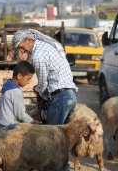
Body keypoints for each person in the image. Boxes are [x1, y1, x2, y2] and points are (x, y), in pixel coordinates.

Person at [12, 29, 78, 171]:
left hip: (60, 98)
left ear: (29, 40)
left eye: (22, 47)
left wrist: (39, 92)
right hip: (70, 95)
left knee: (51, 141)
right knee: (61, 141)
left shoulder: (38, 55)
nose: (22, 50)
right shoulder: (47, 46)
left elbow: (42, 84)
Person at [0, 61, 42, 133]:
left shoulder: (7, 85)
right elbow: (21, 115)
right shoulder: (16, 91)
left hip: (0, 125)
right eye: (28, 79)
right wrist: (33, 121)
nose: (28, 82)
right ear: (19, 76)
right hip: (10, 128)